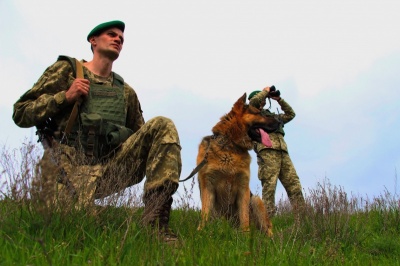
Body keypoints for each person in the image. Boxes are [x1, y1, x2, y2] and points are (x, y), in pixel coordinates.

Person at [12, 20, 182, 242]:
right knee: (63, 229)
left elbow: (144, 139)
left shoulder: (125, 92)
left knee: (162, 125)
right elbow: (20, 112)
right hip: (67, 171)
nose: (118, 39)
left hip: (109, 169)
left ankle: (155, 224)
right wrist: (65, 96)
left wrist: (166, 167)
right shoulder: (67, 71)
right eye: (111, 34)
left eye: (121, 38)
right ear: (93, 41)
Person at [248, 86, 305, 217]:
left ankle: (302, 217)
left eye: (264, 99)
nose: (263, 102)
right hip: (267, 152)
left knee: (294, 184)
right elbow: (253, 104)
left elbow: (291, 114)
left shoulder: (273, 117)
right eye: (262, 99)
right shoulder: (251, 115)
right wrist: (265, 91)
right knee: (269, 186)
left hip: (283, 153)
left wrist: (279, 99)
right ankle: (268, 219)